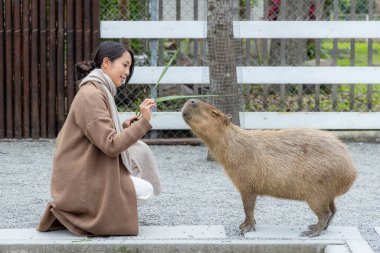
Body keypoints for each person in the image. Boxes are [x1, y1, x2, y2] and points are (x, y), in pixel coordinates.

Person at [37, 41, 161, 236]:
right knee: (145, 191)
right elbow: (110, 145)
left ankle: (114, 203)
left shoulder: (98, 90)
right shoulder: (92, 95)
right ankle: (101, 210)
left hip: (87, 168)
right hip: (80, 181)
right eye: (125, 65)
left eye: (129, 67)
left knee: (138, 151)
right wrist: (143, 122)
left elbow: (99, 136)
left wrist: (126, 126)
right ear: (106, 63)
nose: (127, 72)